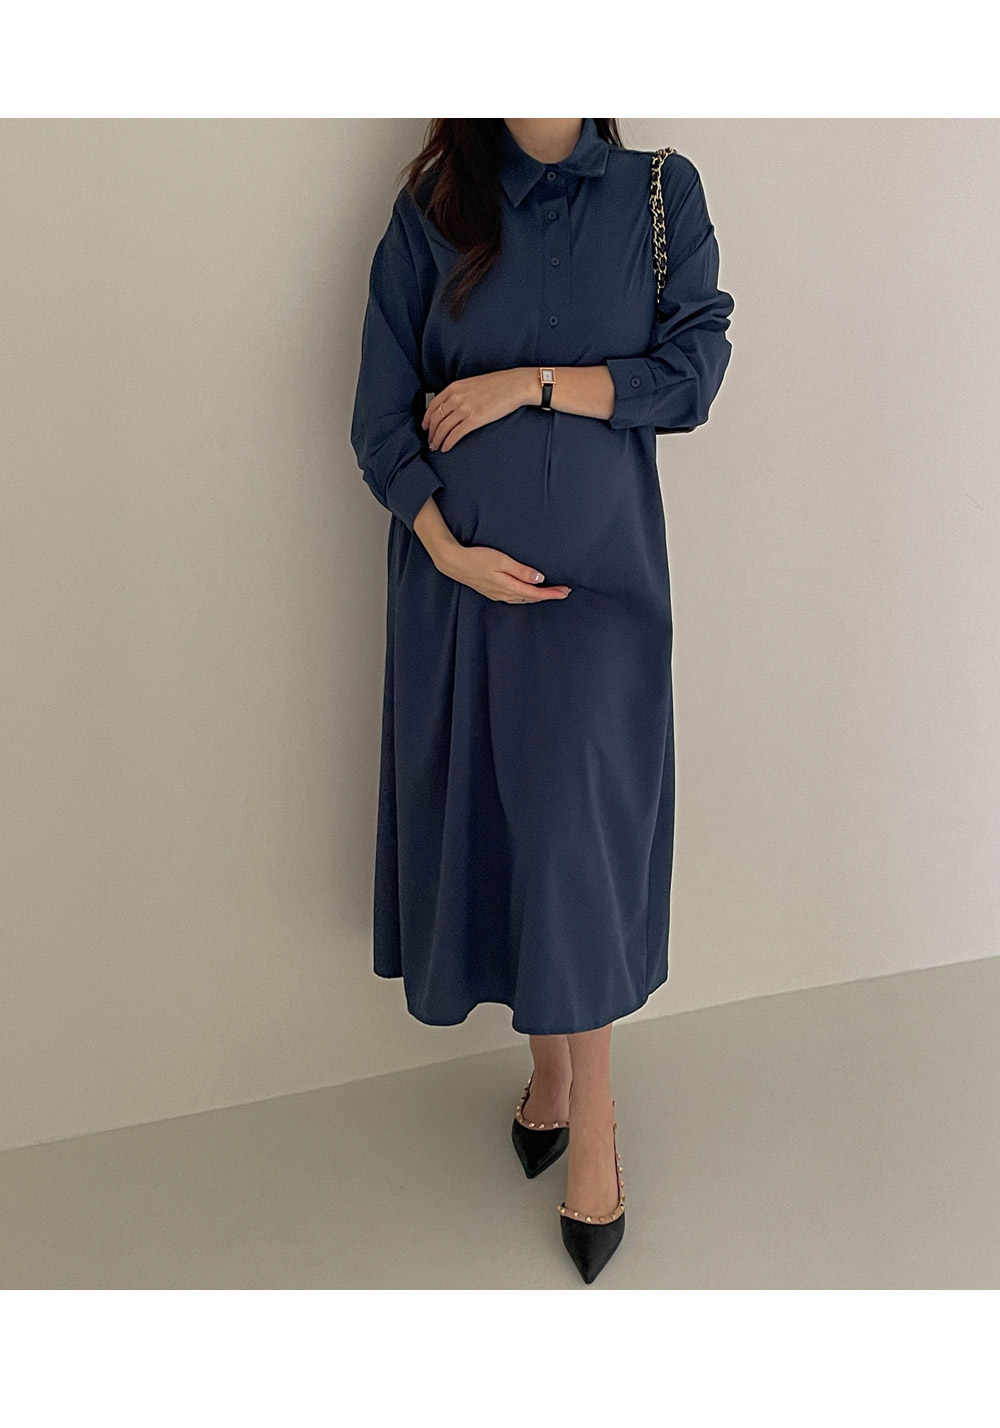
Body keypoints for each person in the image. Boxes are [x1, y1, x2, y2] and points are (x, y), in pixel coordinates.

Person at [350, 118, 734, 1282]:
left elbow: (693, 373)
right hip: (459, 596)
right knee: (510, 837)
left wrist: (529, 384)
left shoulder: (659, 195)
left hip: (602, 595)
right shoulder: (434, 205)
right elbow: (379, 417)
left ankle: (594, 1124)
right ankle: (551, 1073)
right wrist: (446, 550)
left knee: (576, 843)